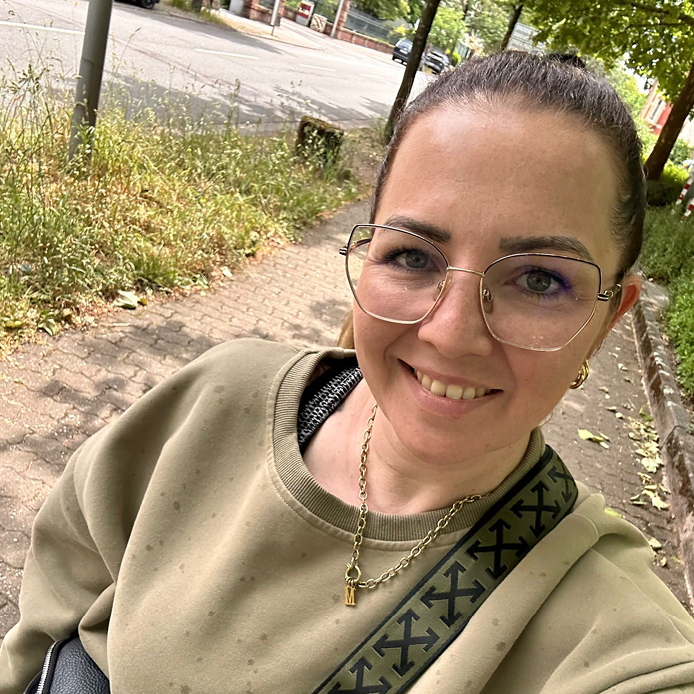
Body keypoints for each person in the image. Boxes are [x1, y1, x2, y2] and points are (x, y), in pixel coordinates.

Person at [2, 50, 694, 694]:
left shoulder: (613, 629)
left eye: (540, 279)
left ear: (608, 318)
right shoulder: (220, 397)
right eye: (413, 256)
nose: (451, 334)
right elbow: (66, 573)